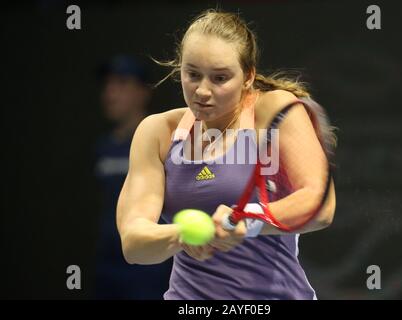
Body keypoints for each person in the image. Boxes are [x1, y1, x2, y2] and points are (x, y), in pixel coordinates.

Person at [116, 9, 337, 300]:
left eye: (220, 78)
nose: (202, 91)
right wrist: (182, 234)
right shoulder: (157, 132)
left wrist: (246, 220)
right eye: (192, 74)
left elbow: (320, 206)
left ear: (248, 77)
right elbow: (134, 243)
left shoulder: (275, 110)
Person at [93, 55, 172, 299]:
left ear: (143, 92)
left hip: (152, 267)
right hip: (108, 264)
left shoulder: (165, 143)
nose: (111, 92)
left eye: (122, 83)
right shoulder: (102, 147)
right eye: (108, 84)